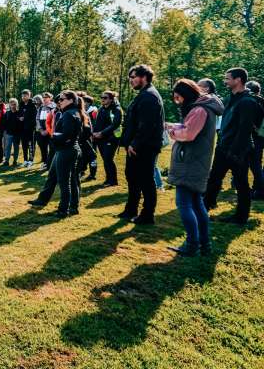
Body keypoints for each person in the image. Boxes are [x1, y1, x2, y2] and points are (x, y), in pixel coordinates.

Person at [165, 79, 223, 256]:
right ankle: (204, 244)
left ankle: (192, 244)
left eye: (178, 97)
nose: (177, 102)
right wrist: (176, 126)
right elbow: (191, 128)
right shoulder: (204, 107)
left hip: (191, 162)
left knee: (184, 203)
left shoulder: (199, 109)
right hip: (197, 161)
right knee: (197, 204)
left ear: (186, 94)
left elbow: (189, 134)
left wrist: (172, 132)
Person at [203, 68, 264, 225]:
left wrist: (234, 151)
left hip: (238, 150)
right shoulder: (232, 98)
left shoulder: (247, 102)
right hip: (224, 147)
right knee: (214, 178)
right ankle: (204, 208)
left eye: (228, 78)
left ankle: (241, 217)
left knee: (241, 183)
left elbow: (245, 130)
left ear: (238, 80)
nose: (225, 81)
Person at [118, 64, 165, 225]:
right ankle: (131, 209)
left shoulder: (149, 96)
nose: (130, 81)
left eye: (133, 77)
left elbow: (147, 124)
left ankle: (147, 214)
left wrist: (135, 143)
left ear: (144, 77)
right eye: (130, 78)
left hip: (144, 147)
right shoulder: (144, 94)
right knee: (132, 177)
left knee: (146, 179)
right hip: (137, 145)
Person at [29, 91, 83, 218]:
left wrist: (54, 137)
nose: (59, 101)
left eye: (62, 99)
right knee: (53, 176)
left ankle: (64, 209)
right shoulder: (70, 112)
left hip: (66, 150)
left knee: (65, 181)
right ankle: (43, 200)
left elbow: (67, 135)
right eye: (59, 100)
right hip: (63, 149)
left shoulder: (70, 114)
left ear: (70, 100)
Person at [92, 91, 122, 186]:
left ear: (111, 99)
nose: (102, 99)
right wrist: (94, 133)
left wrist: (102, 133)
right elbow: (97, 123)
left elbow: (115, 124)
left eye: (105, 98)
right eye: (101, 97)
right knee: (105, 159)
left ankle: (113, 181)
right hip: (100, 139)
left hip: (111, 138)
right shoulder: (101, 109)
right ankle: (108, 179)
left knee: (108, 159)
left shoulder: (116, 109)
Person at [245, 81, 264, 201]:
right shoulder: (262, 100)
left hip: (255, 136)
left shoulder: (252, 102)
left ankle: (260, 190)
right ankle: (257, 188)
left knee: (255, 164)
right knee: (257, 163)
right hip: (261, 135)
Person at [35, 93, 55, 168]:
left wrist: (48, 130)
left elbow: (54, 120)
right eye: (43, 97)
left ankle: (51, 164)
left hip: (50, 132)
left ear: (50, 98)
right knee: (43, 147)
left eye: (46, 97)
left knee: (52, 148)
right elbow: (37, 119)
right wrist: (40, 130)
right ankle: (45, 162)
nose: (44, 99)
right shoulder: (40, 108)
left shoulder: (54, 107)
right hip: (41, 132)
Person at [18, 90, 37, 167]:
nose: (23, 97)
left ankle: (31, 160)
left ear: (29, 96)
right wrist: (20, 118)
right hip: (22, 128)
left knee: (31, 144)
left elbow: (34, 117)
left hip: (30, 128)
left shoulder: (33, 104)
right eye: (22, 96)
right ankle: (25, 160)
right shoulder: (21, 104)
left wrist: (24, 118)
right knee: (24, 145)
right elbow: (19, 114)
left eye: (25, 95)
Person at [1, 98, 22, 166]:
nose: (13, 106)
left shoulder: (19, 113)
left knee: (16, 148)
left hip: (17, 134)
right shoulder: (7, 113)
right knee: (8, 147)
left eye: (14, 104)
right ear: (9, 105)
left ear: (17, 105)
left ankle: (15, 161)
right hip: (9, 134)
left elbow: (22, 123)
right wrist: (5, 132)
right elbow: (3, 123)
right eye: (11, 104)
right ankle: (6, 160)